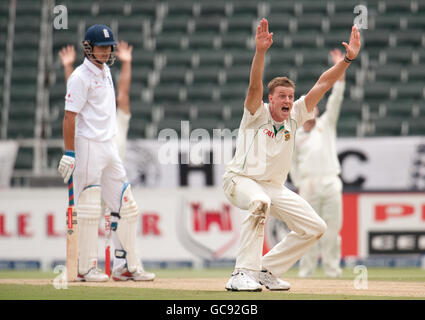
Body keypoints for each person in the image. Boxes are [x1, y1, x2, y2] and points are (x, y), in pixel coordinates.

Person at [222, 19, 360, 291]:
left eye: (290, 96)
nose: (287, 101)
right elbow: (253, 87)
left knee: (315, 227)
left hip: (273, 187)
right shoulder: (255, 113)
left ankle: (266, 269)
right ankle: (240, 273)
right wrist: (260, 52)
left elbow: (322, 84)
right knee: (259, 201)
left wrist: (347, 59)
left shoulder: (296, 114)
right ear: (270, 99)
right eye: (281, 96)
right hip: (239, 180)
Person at [57, 24, 154, 282]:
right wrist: (69, 152)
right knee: (88, 206)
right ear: (88, 48)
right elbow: (69, 116)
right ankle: (85, 268)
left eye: (108, 47)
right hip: (88, 144)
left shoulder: (107, 71)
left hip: (109, 145)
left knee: (127, 205)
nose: (106, 51)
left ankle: (126, 266)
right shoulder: (79, 77)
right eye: (101, 47)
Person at [290, 49, 346, 278]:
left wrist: (341, 68)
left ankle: (333, 270)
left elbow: (337, 97)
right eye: (308, 108)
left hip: (331, 179)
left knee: (332, 229)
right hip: (308, 183)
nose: (312, 111)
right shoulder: (294, 134)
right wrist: (300, 183)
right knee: (308, 230)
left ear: (318, 110)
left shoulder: (327, 124)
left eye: (315, 107)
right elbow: (291, 163)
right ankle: (306, 272)